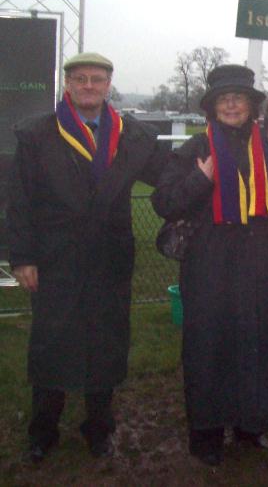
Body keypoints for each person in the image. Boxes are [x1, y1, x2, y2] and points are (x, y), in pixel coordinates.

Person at [6, 52, 168, 462]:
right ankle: (43, 431)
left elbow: (170, 177)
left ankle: (100, 428)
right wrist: (23, 258)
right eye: (80, 79)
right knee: (51, 343)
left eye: (97, 79)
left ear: (109, 85)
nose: (89, 86)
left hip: (110, 259)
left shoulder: (131, 136)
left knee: (106, 344)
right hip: (56, 259)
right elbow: (19, 203)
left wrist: (208, 170)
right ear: (68, 85)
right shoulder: (37, 134)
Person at [151, 65, 268, 466]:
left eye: (240, 98)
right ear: (213, 107)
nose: (232, 104)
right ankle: (207, 433)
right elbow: (163, 202)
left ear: (253, 105)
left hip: (261, 265)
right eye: (224, 98)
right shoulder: (194, 150)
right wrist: (200, 180)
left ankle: (252, 424)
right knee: (210, 348)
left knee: (258, 343)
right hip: (211, 267)